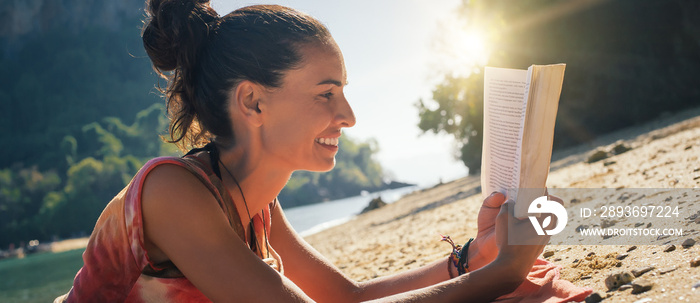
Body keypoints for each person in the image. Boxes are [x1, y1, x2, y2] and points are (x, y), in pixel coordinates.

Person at [56, 1, 590, 302]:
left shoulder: (252, 200)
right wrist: (499, 274)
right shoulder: (172, 193)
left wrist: (474, 258)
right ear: (253, 102)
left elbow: (347, 299)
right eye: (326, 93)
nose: (349, 116)